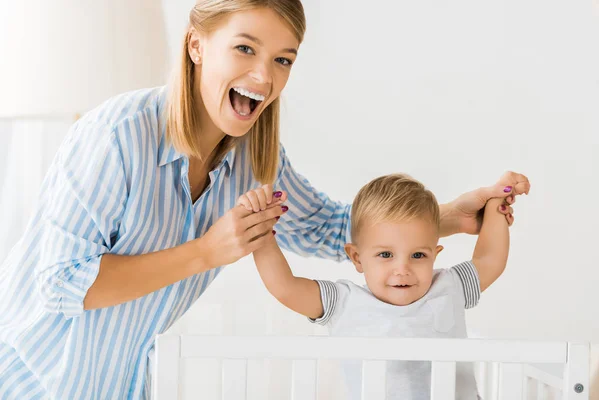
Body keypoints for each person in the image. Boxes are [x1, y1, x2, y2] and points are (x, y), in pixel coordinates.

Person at [0, 1, 529, 399]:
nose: (264, 76)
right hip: (30, 382)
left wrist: (445, 218)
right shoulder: (117, 136)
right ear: (196, 45)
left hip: (122, 387)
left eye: (283, 59)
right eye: (245, 48)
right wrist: (208, 251)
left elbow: (329, 228)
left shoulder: (259, 157)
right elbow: (60, 284)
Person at [242, 173, 514, 399]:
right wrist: (261, 233)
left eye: (418, 255)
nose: (402, 269)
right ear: (357, 258)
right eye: (385, 255)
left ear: (435, 253)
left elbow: (490, 260)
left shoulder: (449, 286)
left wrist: (495, 209)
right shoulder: (343, 302)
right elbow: (285, 288)